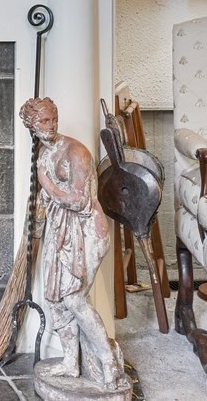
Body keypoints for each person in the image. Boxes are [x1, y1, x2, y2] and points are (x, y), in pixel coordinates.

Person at [19, 97, 126, 390]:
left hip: (87, 231)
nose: (51, 126)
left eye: (54, 119)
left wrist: (46, 183)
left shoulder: (75, 152)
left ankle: (108, 363)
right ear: (31, 124)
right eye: (44, 121)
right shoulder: (44, 151)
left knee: (73, 298)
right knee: (55, 299)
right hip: (61, 232)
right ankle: (70, 361)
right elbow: (49, 200)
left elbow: (80, 200)